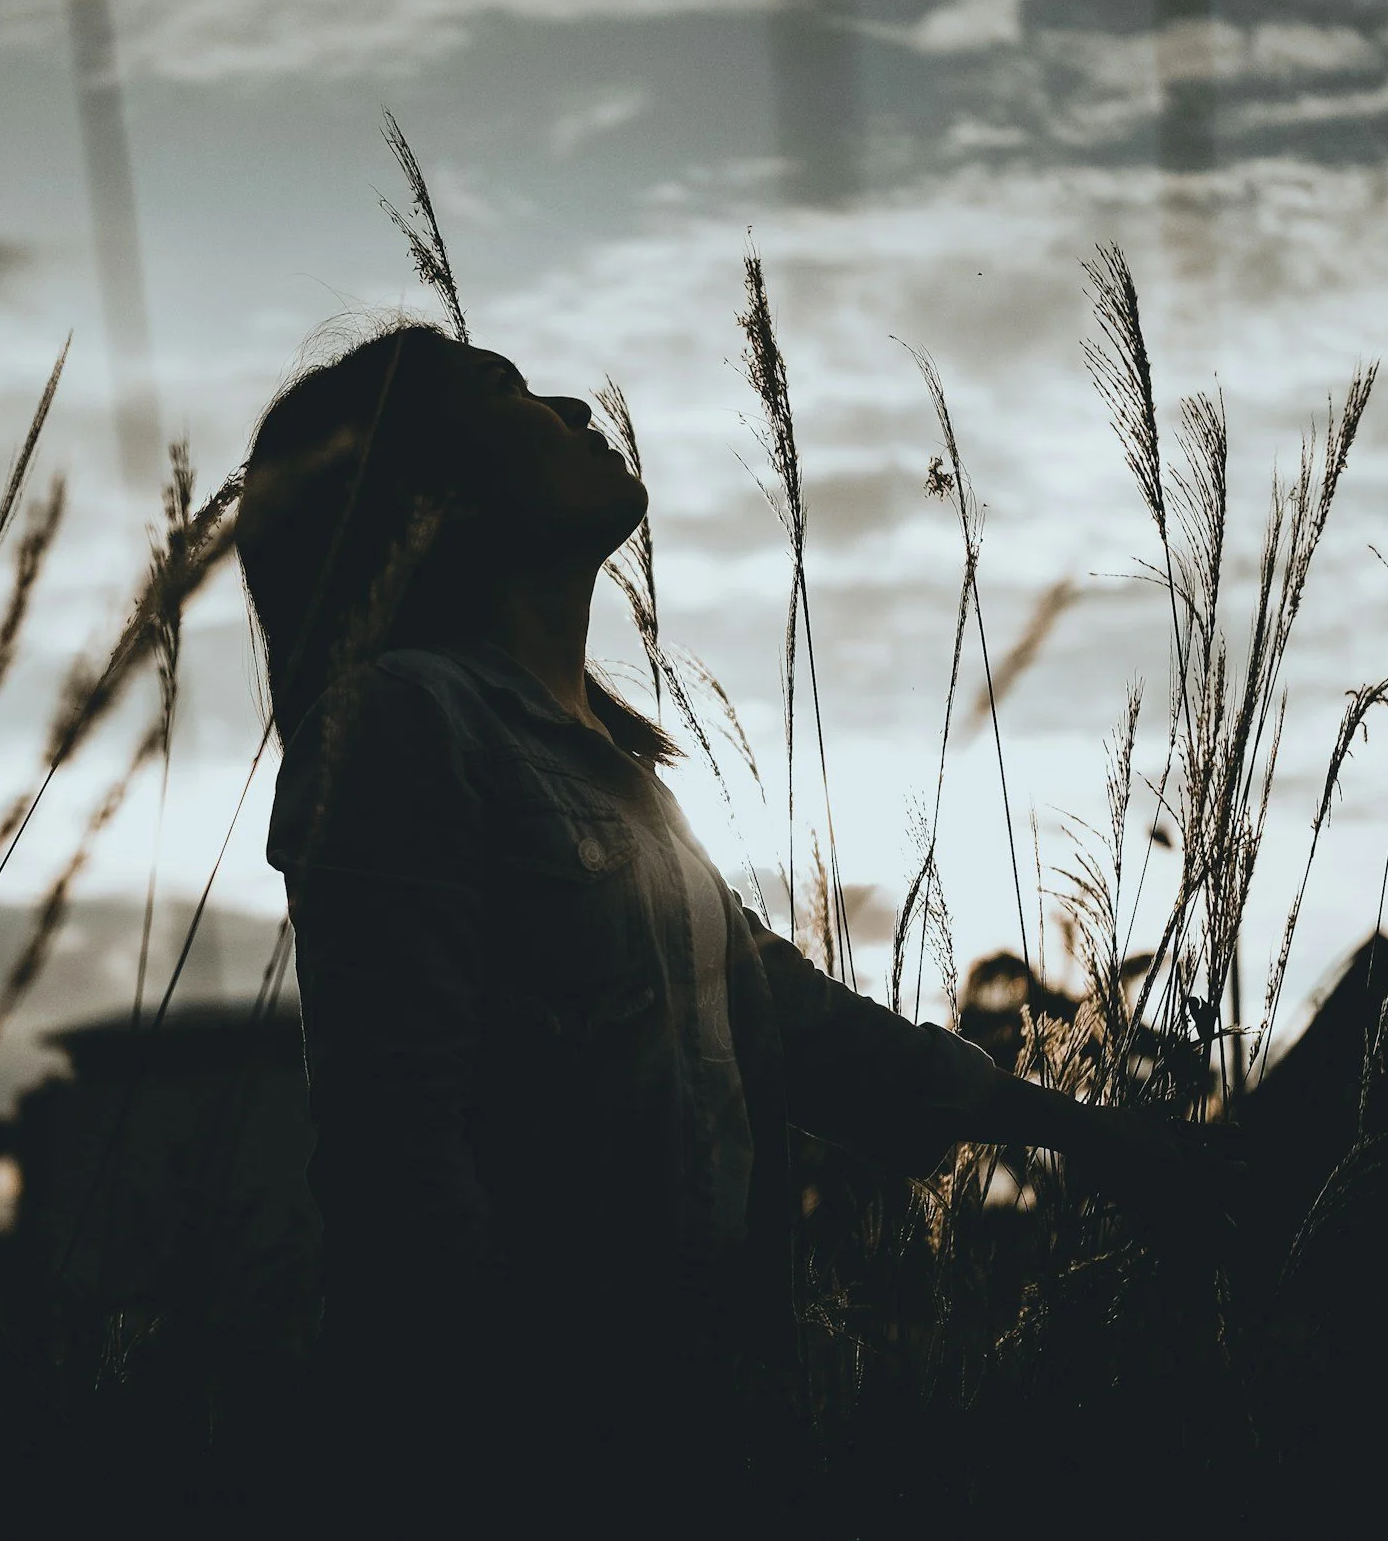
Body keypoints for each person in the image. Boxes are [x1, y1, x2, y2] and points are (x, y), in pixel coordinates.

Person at [238, 320, 1221, 1526]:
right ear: (436, 488)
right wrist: (498, 1444)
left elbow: (793, 1017)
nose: (570, 400)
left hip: (693, 1428)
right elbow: (398, 1149)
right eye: (506, 392)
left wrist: (1079, 1128)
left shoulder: (624, 778)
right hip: (545, 1449)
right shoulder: (403, 720)